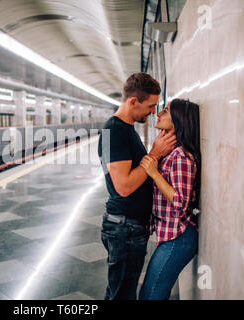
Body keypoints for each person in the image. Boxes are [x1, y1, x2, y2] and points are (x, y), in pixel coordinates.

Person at [98, 73, 176, 300]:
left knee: (120, 291)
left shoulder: (125, 128)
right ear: (133, 102)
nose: (153, 112)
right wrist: (154, 154)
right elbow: (123, 186)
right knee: (122, 295)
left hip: (128, 227)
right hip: (125, 229)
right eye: (151, 106)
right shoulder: (114, 131)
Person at [139, 99, 201, 300]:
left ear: (179, 119)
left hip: (179, 237)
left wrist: (154, 173)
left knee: (151, 294)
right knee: (153, 292)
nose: (158, 114)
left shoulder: (181, 156)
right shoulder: (172, 153)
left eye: (165, 111)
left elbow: (181, 203)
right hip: (172, 235)